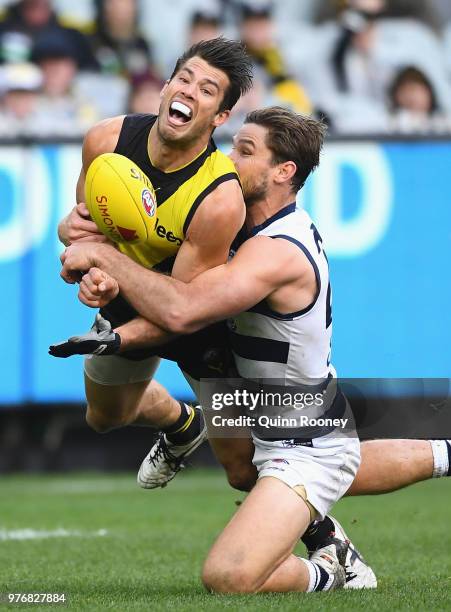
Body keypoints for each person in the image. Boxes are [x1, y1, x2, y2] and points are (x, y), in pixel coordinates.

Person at [56, 106, 451, 590]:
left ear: (284, 172)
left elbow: (181, 311)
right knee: (247, 472)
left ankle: (330, 572)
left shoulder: (277, 248)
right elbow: (134, 256)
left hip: (299, 434)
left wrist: (103, 258)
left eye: (244, 151)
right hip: (255, 398)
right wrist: (92, 261)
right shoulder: (231, 221)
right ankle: (428, 466)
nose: (227, 159)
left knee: (228, 575)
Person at [55, 37, 253, 479]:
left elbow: (181, 311)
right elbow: (83, 239)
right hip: (132, 295)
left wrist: (113, 304)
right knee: (103, 418)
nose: (188, 91)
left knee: (242, 469)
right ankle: (182, 423)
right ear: (165, 87)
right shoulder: (105, 140)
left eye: (206, 89)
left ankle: (325, 539)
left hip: (198, 316)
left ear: (220, 117)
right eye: (184, 79)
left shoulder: (218, 198)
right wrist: (87, 271)